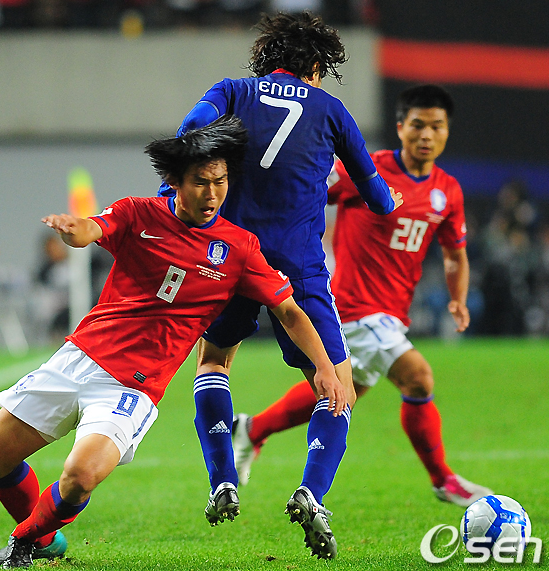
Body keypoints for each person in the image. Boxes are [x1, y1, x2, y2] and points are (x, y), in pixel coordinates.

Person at [0, 116, 348, 569]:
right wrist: (75, 229)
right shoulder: (138, 213)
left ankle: (24, 541)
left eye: (220, 182)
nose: (212, 194)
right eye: (200, 183)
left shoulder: (239, 248)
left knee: (81, 475)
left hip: (132, 387)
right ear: (174, 182)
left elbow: (288, 311)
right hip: (78, 358)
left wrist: (324, 366)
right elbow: (92, 229)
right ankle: (47, 537)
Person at [158, 10, 402, 560]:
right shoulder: (330, 109)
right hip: (298, 266)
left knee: (214, 361)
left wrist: (172, 189)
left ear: (267, 59)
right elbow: (376, 195)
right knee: (335, 384)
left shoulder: (232, 91)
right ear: (316, 66)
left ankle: (223, 478)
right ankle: (311, 493)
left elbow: (191, 129)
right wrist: (392, 199)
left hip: (227, 256)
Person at [232, 84, 493, 508]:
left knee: (338, 392)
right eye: (418, 125)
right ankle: (443, 478)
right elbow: (309, 189)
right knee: (418, 377)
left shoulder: (447, 190)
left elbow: (454, 253)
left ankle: (252, 429)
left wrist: (458, 298)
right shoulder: (368, 170)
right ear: (400, 127)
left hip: (391, 313)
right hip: (352, 306)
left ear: (447, 132)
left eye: (437, 126)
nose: (427, 135)